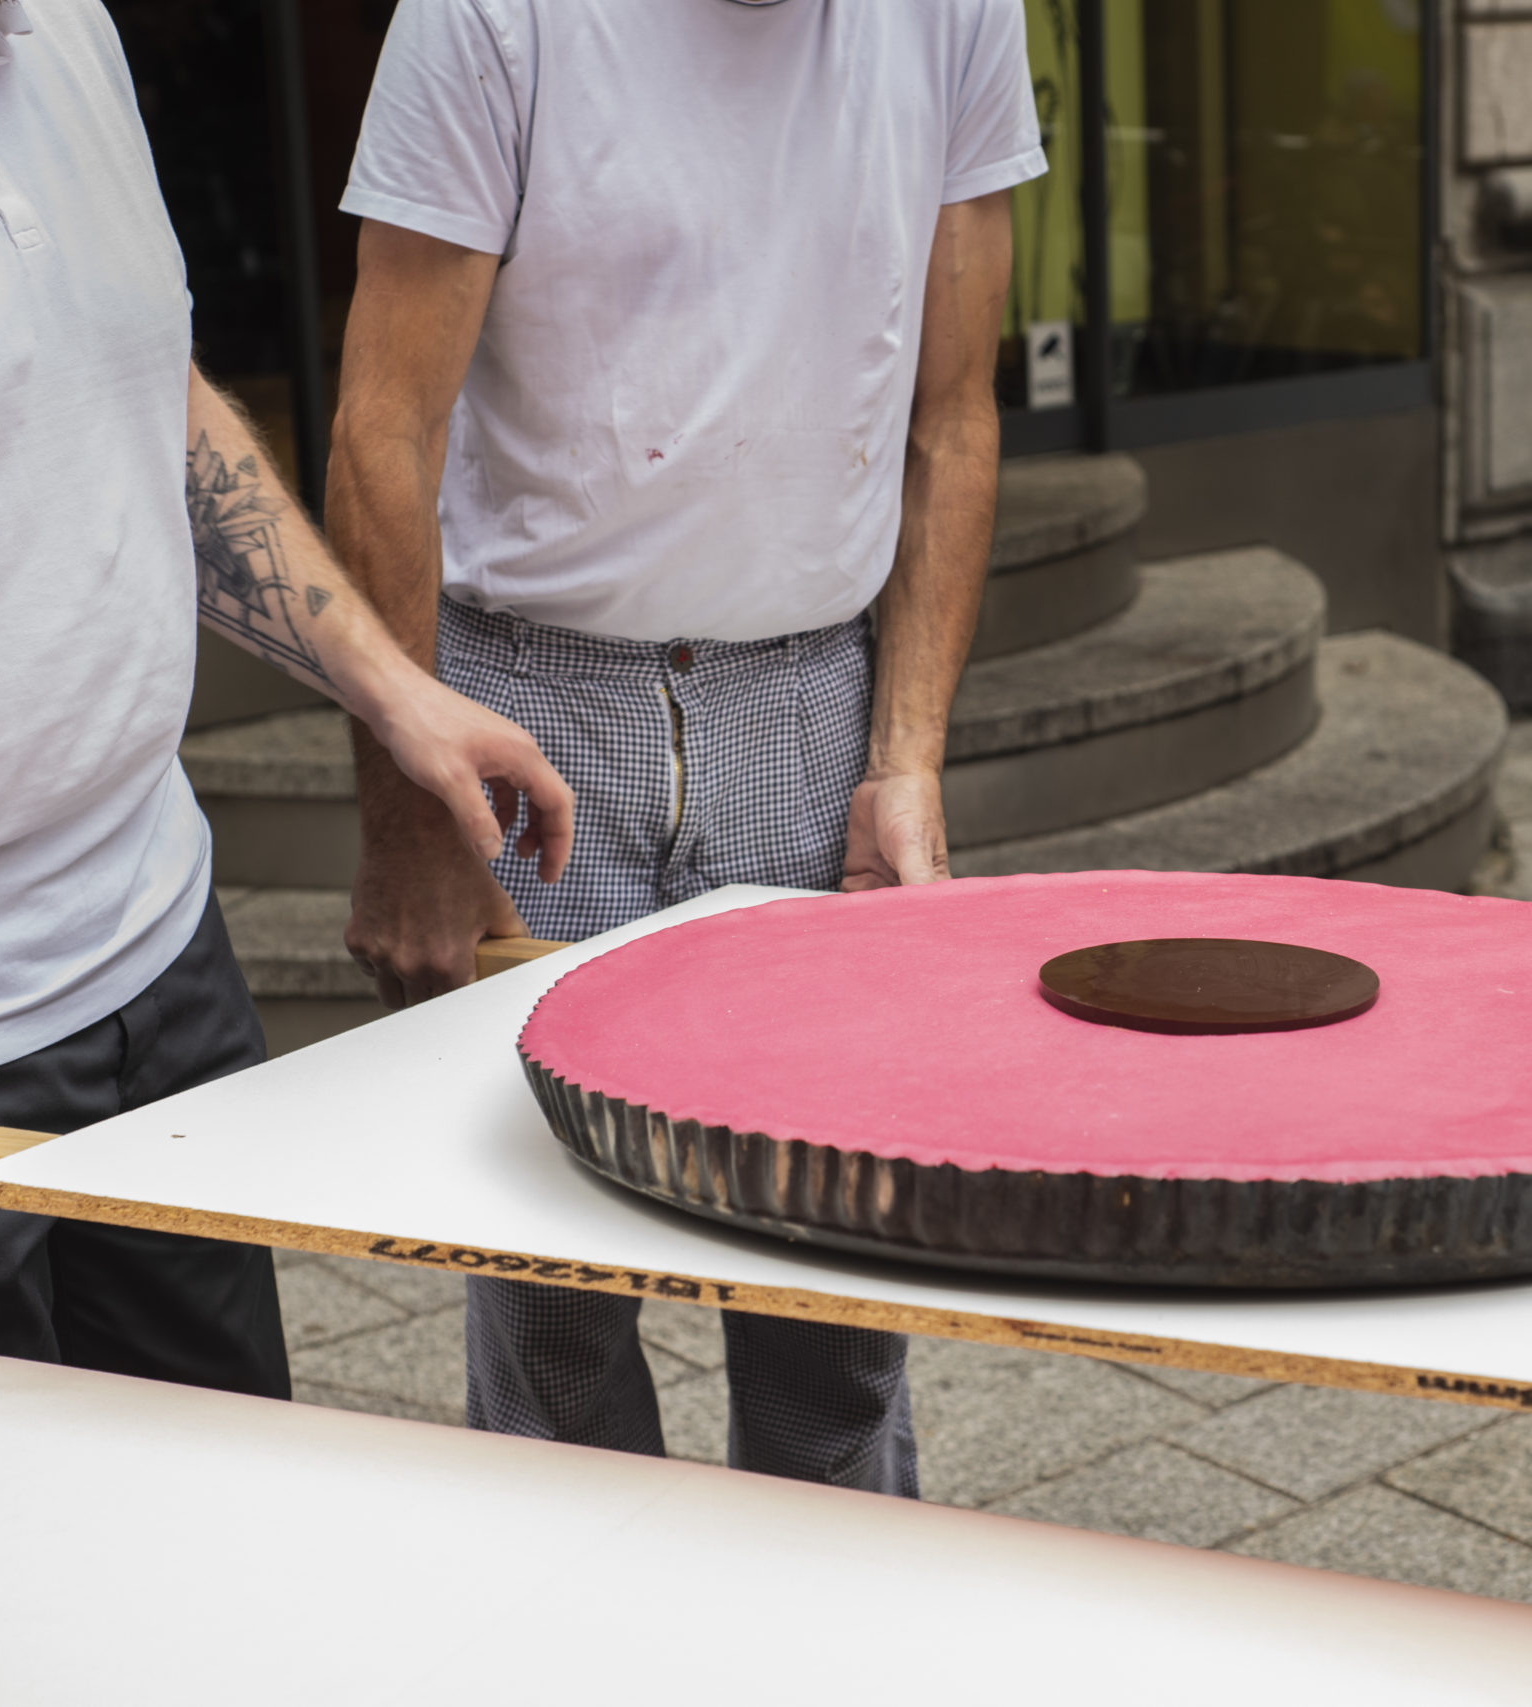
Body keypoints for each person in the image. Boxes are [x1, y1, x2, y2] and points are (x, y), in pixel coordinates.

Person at [0, 0, 572, 1394]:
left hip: (161, 962)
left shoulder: (63, 31)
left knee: (209, 1539)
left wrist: (389, 685)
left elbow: (153, 391)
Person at [328, 0, 1043, 1490]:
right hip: (537, 693)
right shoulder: (490, 17)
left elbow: (951, 413)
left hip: (807, 690)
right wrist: (408, 822)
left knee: (832, 1287)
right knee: (553, 1300)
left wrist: (905, 750)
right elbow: (385, 427)